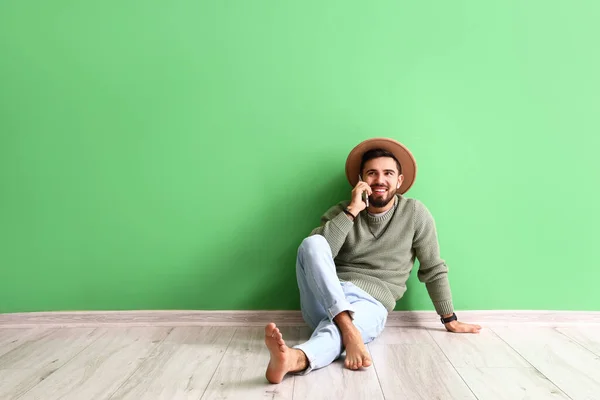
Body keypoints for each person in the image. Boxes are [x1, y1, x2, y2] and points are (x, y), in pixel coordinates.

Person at [264, 138, 482, 384]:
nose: (380, 180)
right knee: (312, 243)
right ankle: (349, 330)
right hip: (325, 298)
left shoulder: (414, 213)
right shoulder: (342, 211)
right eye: (372, 173)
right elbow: (318, 254)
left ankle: (295, 358)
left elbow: (433, 268)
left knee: (339, 330)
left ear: (399, 180)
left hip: (370, 303)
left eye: (388, 173)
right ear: (361, 179)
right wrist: (352, 211)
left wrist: (449, 319)